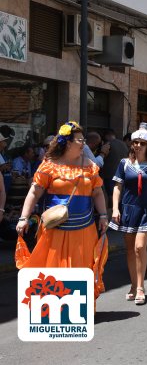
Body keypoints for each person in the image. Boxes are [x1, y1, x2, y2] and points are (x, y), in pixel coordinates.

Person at [15, 121, 108, 300]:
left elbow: (97, 193)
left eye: (83, 140)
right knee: (53, 267)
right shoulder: (49, 165)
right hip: (55, 227)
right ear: (68, 142)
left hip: (84, 227)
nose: (84, 144)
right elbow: (34, 192)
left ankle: (81, 308)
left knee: (82, 267)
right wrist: (23, 218)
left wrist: (103, 215)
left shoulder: (89, 165)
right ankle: (53, 307)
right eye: (80, 140)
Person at [109, 129, 147, 305]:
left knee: (139, 247)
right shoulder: (124, 164)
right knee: (129, 249)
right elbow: (117, 187)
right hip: (128, 209)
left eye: (142, 143)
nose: (138, 146)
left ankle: (141, 287)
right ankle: (133, 286)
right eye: (136, 142)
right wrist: (115, 209)